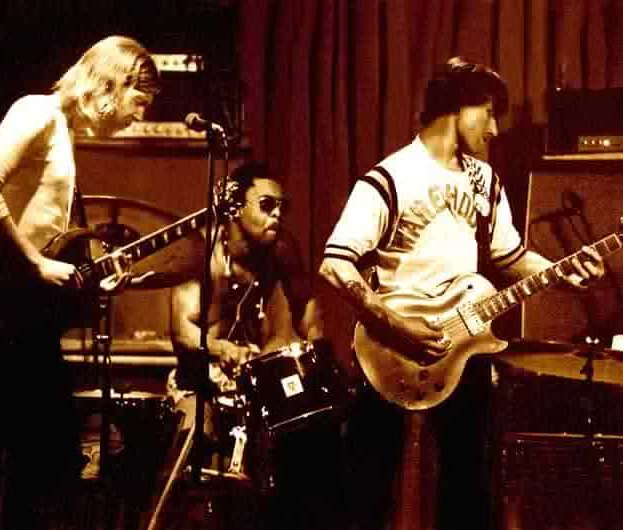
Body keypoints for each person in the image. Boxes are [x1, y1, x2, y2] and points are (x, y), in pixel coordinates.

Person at [318, 56, 605, 530]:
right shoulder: (389, 178)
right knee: (369, 494)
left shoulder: (484, 181)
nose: (494, 129)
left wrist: (563, 272)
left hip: (465, 350)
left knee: (469, 492)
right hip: (389, 351)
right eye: (488, 113)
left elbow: (511, 257)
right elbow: (335, 264)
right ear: (455, 106)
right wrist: (397, 325)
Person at [0, 35, 160, 530]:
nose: (139, 116)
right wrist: (36, 264)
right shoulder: (37, 112)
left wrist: (88, 277)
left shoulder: (62, 133)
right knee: (0, 467)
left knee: (39, 462)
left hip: (19, 321)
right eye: (139, 101)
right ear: (112, 82)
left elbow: (44, 236)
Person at [165, 161, 345, 530]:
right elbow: (182, 332)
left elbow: (307, 308)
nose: (277, 215)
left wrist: (314, 352)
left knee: (312, 441)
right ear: (235, 208)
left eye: (281, 207)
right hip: (200, 383)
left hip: (253, 384)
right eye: (266, 205)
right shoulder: (201, 251)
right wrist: (221, 349)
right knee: (194, 444)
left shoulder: (282, 251)